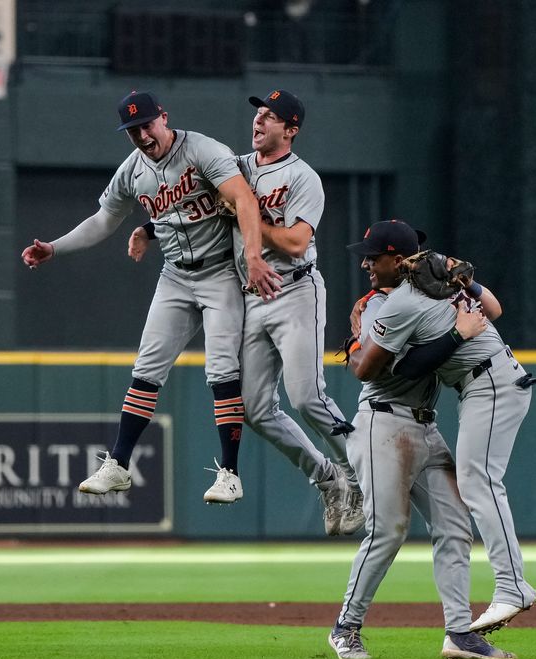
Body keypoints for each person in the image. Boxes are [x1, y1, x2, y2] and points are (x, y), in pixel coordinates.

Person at [21, 90, 280, 497]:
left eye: (146, 125)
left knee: (222, 371)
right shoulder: (132, 171)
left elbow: (243, 199)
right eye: (132, 130)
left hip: (220, 274)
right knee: (146, 369)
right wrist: (54, 247)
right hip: (175, 275)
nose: (141, 135)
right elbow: (103, 220)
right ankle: (119, 464)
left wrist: (253, 255)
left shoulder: (202, 149)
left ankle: (229, 474)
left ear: (163, 117)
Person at [129, 89, 364, 536]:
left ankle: (360, 474)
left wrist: (244, 217)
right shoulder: (234, 166)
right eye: (257, 114)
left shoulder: (303, 178)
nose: (258, 122)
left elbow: (296, 243)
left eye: (270, 117)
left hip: (293, 290)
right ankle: (327, 477)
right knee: (253, 409)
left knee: (306, 396)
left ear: (291, 130)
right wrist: (146, 229)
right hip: (248, 296)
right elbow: (187, 206)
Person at [328, 220, 517, 659]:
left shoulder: (437, 294)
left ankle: (459, 634)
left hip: (425, 426)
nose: (366, 263)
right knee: (388, 532)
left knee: (454, 528)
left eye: (373, 257)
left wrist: (462, 277)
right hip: (383, 425)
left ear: (400, 260)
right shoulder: (380, 304)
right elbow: (367, 368)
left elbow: (492, 308)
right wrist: (454, 334)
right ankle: (345, 627)